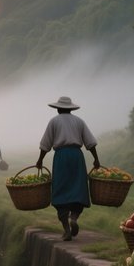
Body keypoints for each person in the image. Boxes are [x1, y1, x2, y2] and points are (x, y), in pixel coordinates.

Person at [34, 96, 100, 241]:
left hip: (61, 157)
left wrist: (40, 160)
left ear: (58, 108)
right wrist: (96, 159)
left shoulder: (54, 121)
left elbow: (46, 144)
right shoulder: (79, 121)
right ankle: (74, 217)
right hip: (77, 156)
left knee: (60, 190)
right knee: (78, 188)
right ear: (70, 109)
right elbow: (90, 142)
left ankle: (66, 229)